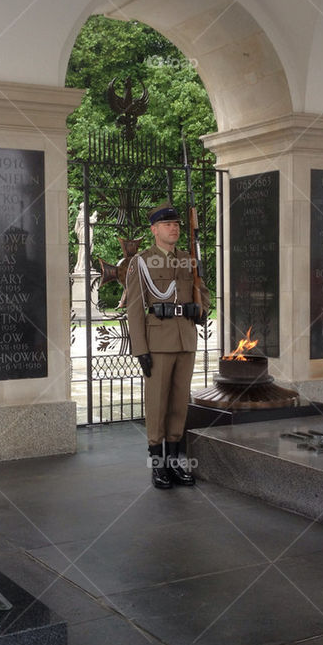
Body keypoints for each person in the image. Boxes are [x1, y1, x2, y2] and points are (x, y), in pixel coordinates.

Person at [125, 201, 210, 489]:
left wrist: (202, 309)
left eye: (176, 225)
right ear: (154, 230)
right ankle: (157, 464)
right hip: (158, 343)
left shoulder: (188, 259)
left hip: (185, 339)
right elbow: (135, 309)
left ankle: (174, 461)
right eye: (167, 224)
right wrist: (140, 349)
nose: (174, 228)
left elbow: (203, 293)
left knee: (178, 404)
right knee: (157, 403)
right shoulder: (142, 262)